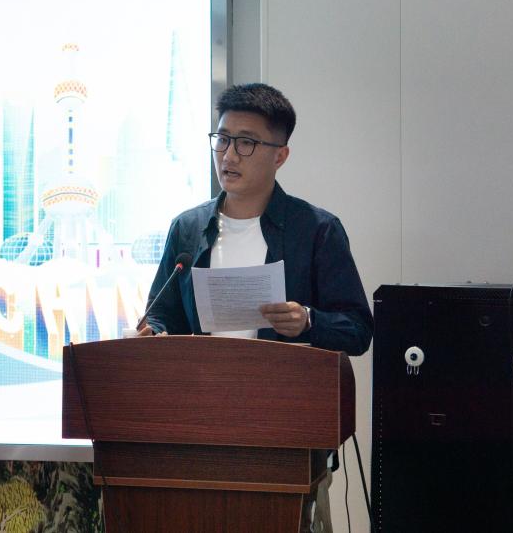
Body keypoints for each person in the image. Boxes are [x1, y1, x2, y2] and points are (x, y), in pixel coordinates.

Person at [138, 82, 373, 532]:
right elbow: (162, 312)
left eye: (246, 143)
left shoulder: (316, 230)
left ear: (280, 155)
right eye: (222, 139)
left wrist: (307, 321)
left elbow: (358, 329)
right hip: (199, 429)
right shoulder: (188, 228)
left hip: (285, 432)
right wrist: (156, 333)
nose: (228, 155)